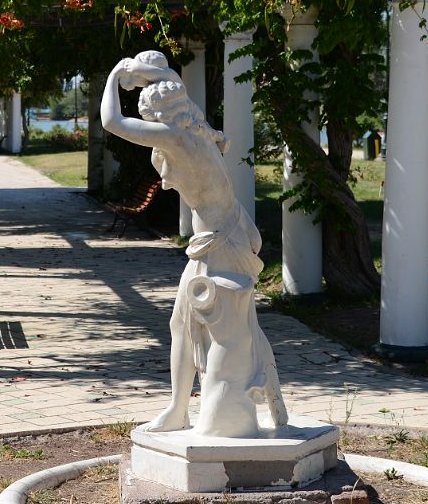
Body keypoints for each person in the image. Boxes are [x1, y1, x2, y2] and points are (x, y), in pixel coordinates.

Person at [101, 51, 288, 439]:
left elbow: (111, 122)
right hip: (232, 231)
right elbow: (172, 81)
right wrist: (146, 72)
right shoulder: (198, 131)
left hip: (220, 244)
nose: (147, 124)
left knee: (201, 325)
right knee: (183, 322)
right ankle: (178, 408)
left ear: (159, 115)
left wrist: (116, 75)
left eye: (149, 116)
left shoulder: (174, 137)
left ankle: (200, 413)